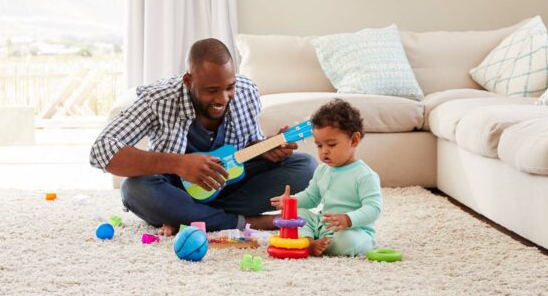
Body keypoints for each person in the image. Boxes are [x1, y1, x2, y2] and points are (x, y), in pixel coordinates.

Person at [90, 38, 316, 235]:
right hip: (175, 188)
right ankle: (245, 222)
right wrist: (179, 164)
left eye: (229, 87)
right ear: (188, 81)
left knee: (305, 166)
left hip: (228, 185)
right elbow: (101, 150)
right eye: (212, 90)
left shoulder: (246, 91)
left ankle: (189, 217)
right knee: (135, 189)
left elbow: (248, 149)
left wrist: (266, 149)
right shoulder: (158, 99)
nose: (223, 98)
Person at [270, 99, 381, 257]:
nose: (324, 151)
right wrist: (291, 202)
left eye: (331, 144)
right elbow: (311, 196)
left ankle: (312, 243)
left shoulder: (365, 175)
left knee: (347, 242)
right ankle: (309, 242)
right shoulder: (322, 170)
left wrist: (347, 219)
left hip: (353, 229)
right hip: (324, 224)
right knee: (299, 215)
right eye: (319, 145)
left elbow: (373, 209)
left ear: (354, 140)